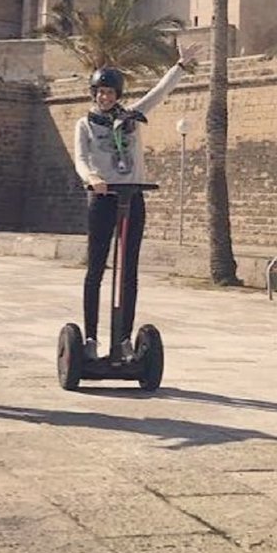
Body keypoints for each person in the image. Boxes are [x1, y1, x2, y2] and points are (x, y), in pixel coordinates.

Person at [74, 39, 201, 361]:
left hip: (132, 199)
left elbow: (158, 93)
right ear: (94, 94)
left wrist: (181, 66)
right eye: (100, 92)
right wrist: (92, 179)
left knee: (129, 271)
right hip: (102, 199)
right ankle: (90, 338)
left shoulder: (132, 117)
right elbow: (81, 158)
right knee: (96, 270)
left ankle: (125, 340)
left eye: (110, 92)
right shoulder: (85, 124)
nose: (105, 97)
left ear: (118, 96)